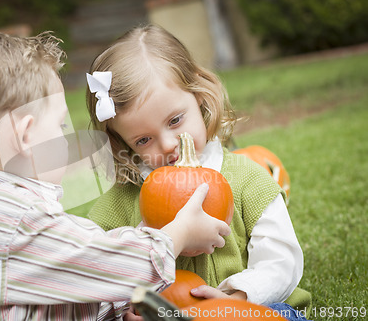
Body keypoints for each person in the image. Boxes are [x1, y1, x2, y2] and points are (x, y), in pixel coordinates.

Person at [0, 29, 231, 320]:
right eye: (60, 126)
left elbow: (70, 280)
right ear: (26, 136)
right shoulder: (16, 225)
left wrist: (121, 311)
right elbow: (112, 267)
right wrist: (179, 233)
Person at [85, 25, 312, 320]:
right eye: (143, 139)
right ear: (122, 143)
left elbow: (282, 259)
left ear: (200, 96)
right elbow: (92, 266)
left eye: (175, 120)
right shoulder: (120, 203)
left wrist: (239, 296)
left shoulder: (248, 179)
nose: (168, 144)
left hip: (249, 309)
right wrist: (129, 305)